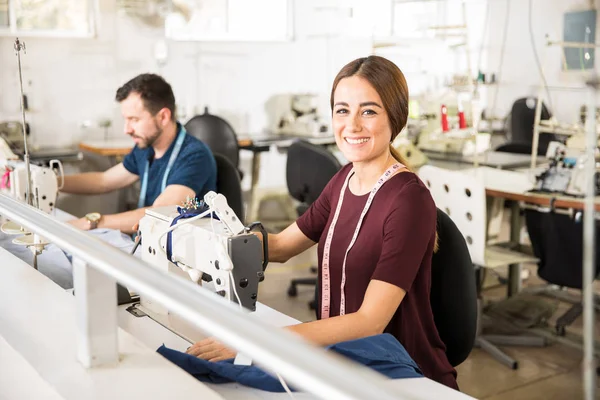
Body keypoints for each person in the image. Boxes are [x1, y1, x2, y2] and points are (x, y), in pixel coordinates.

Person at [185, 56, 458, 389]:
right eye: (342, 110)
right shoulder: (343, 180)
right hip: (342, 364)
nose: (352, 125)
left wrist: (257, 342)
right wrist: (210, 236)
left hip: (401, 376)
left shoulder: (408, 199)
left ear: (396, 118)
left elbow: (370, 322)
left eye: (368, 111)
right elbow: (283, 246)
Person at [62, 73, 217, 234]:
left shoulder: (194, 155)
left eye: (134, 120)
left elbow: (160, 214)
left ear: (163, 117)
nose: (127, 129)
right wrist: (54, 182)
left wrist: (91, 222)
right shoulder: (146, 147)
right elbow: (104, 181)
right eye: (126, 120)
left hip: (178, 251)